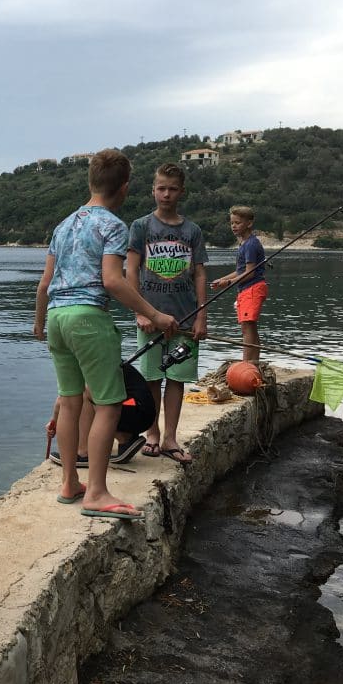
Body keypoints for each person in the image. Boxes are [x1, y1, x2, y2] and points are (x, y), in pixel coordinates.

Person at [33, 149, 177, 519]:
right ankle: (96, 492)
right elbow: (113, 280)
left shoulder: (63, 226)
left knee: (69, 401)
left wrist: (38, 323)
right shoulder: (112, 225)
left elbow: (45, 283)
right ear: (125, 188)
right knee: (108, 403)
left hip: (57, 318)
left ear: (90, 181)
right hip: (87, 319)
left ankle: (69, 483)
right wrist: (154, 314)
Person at [126, 163, 208, 465]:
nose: (166, 194)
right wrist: (140, 311)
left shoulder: (192, 231)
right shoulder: (141, 226)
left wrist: (202, 316)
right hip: (149, 319)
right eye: (161, 188)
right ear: (153, 190)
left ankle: (171, 437)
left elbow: (199, 274)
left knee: (176, 378)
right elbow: (131, 269)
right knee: (150, 377)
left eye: (172, 189)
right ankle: (153, 434)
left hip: (186, 318)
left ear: (181, 192)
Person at [45, 363, 154, 468]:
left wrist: (54, 419)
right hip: (141, 412)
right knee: (90, 396)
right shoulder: (102, 355)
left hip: (136, 411)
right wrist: (54, 420)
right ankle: (125, 438)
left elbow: (67, 397)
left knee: (83, 393)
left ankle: (84, 453)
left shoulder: (89, 361)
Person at [211, 205, 267, 362]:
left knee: (247, 328)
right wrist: (223, 279)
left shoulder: (250, 244)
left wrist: (229, 282)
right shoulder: (244, 244)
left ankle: (247, 363)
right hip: (247, 289)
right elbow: (240, 270)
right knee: (249, 327)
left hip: (253, 288)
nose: (234, 226)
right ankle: (252, 362)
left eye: (238, 223)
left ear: (249, 223)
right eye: (232, 223)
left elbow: (250, 272)